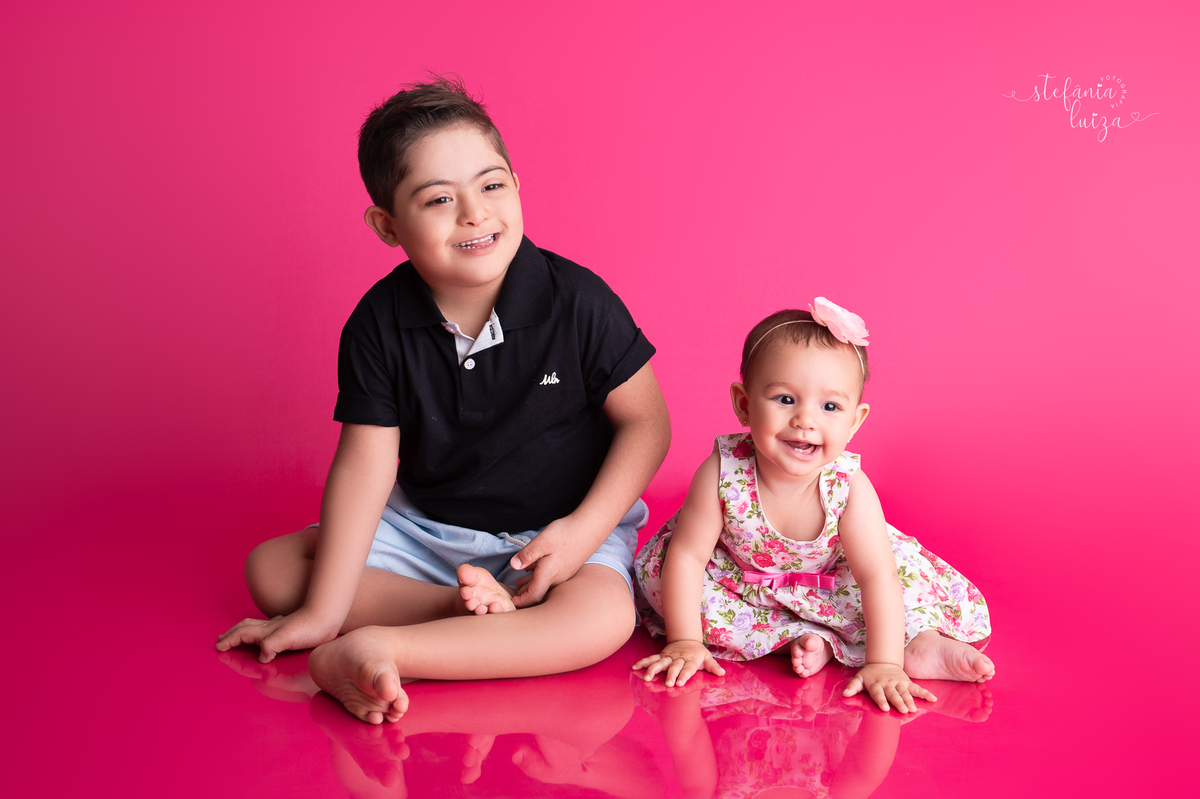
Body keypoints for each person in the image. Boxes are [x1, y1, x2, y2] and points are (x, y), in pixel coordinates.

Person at [216, 76, 671, 724]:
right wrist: (319, 612)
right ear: (387, 225)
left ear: (517, 184)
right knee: (273, 570)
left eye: (492, 186)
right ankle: (467, 613)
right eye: (438, 199)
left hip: (559, 532)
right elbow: (366, 464)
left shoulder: (577, 300)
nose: (475, 214)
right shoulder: (377, 323)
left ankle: (387, 647)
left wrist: (582, 534)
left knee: (602, 619)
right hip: (429, 534)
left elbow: (647, 423)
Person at [632, 299, 991, 714]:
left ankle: (917, 646)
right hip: (743, 583)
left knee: (899, 588)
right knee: (672, 586)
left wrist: (884, 664)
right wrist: (684, 641)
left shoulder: (848, 486)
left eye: (830, 407)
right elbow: (689, 557)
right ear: (744, 404)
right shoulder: (722, 471)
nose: (805, 420)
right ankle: (801, 641)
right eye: (785, 399)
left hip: (833, 583)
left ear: (854, 421)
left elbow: (876, 577)